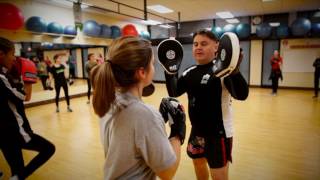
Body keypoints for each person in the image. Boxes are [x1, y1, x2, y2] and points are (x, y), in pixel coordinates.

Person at [90, 36, 185, 179]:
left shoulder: (109, 100)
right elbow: (168, 172)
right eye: (152, 64)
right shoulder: (144, 115)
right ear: (141, 72)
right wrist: (177, 132)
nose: (153, 68)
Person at [162, 30, 248, 180]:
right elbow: (174, 91)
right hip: (197, 131)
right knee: (198, 164)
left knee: (219, 175)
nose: (198, 47)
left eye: (203, 44)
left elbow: (242, 95)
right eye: (195, 44)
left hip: (218, 134)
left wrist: (235, 71)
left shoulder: (222, 71)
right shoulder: (189, 72)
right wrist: (170, 72)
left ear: (216, 47)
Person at [0, 37, 55, 180]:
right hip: (14, 130)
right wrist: (28, 80)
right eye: (12, 54)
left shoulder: (5, 73)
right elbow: (24, 97)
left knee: (16, 167)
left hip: (4, 132)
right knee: (48, 149)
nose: (14, 58)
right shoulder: (1, 77)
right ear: (1, 53)